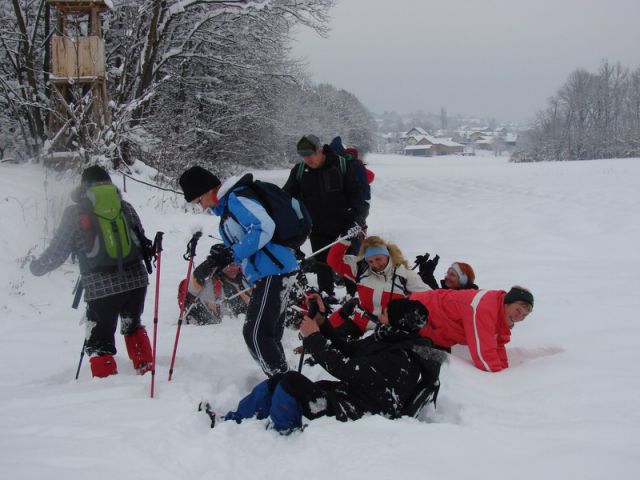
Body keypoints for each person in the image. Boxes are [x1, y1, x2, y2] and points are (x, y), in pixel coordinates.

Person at [214, 294, 444, 433]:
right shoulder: (392, 338)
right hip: (356, 396)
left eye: (385, 313)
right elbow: (351, 350)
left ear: (397, 321)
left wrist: (313, 338)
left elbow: (346, 369)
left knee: (291, 383)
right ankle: (234, 420)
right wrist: (322, 323)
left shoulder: (401, 357)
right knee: (279, 381)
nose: (380, 315)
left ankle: (284, 431)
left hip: (362, 411)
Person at [29, 166, 152, 378]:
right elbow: (142, 241)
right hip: (136, 281)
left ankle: (105, 386)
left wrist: (37, 267)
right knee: (133, 325)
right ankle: (145, 370)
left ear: (83, 186)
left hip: (101, 287)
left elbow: (58, 250)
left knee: (100, 339)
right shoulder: (125, 207)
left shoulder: (75, 213)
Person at [179, 166, 298, 377]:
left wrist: (232, 252)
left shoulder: (235, 199)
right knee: (267, 334)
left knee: (256, 334)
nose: (201, 206)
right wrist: (224, 256)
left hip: (274, 270)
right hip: (268, 272)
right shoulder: (228, 209)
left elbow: (264, 227)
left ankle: (284, 384)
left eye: (199, 201)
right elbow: (245, 243)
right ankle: (283, 382)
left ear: (208, 191)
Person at [283, 134, 368, 303]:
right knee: (322, 264)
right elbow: (286, 199)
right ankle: (326, 297)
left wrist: (357, 221)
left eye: (310, 155)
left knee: (351, 264)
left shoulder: (342, 165)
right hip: (318, 228)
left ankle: (356, 298)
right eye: (304, 156)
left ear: (320, 150)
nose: (308, 160)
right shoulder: (299, 171)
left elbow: (358, 198)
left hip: (346, 227)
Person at [325, 235, 430, 339]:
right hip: (359, 322)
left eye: (378, 259)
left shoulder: (404, 276)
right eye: (370, 261)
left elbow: (430, 298)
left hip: (386, 331)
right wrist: (345, 238)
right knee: (333, 344)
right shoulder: (361, 268)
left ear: (387, 254)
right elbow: (333, 260)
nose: (375, 264)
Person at [409, 286, 534, 372]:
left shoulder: (500, 316)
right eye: (518, 310)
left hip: (431, 328)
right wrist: (500, 379)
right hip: (415, 312)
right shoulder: (485, 308)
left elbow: (497, 345)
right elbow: (483, 355)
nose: (520, 317)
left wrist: (505, 371)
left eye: (524, 315)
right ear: (507, 303)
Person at [178, 261, 250, 325]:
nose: (233, 268)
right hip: (208, 328)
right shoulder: (209, 284)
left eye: (237, 264)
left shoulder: (247, 278)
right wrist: (208, 264)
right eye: (229, 265)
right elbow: (191, 287)